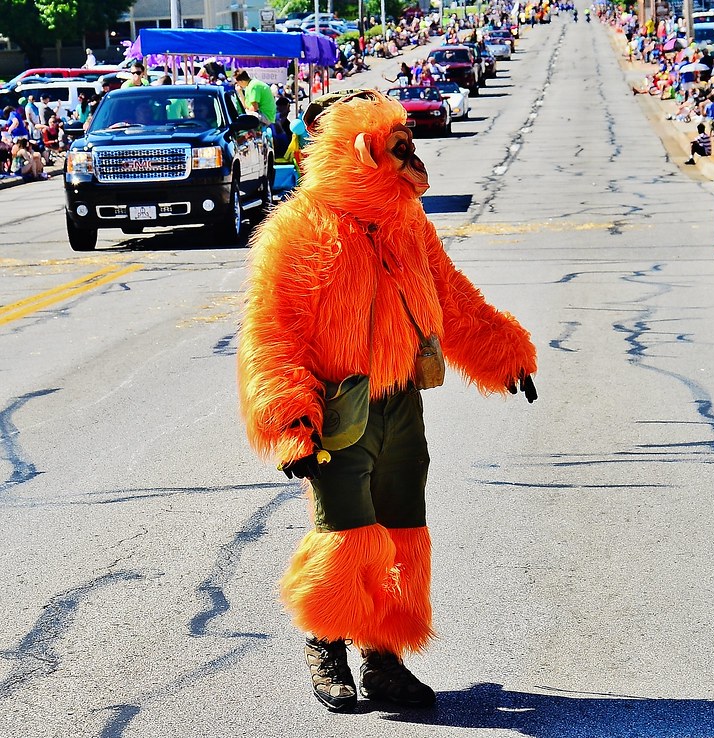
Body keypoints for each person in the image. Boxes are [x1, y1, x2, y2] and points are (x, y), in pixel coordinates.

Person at [238, 90, 538, 714]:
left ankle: (384, 659)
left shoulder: (407, 223)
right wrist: (292, 420)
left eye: (409, 145)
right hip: (337, 409)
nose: (412, 158)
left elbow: (451, 297)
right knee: (345, 531)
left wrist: (503, 352)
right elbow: (272, 329)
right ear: (363, 153)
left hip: (402, 398)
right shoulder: (299, 231)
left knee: (403, 528)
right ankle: (326, 646)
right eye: (398, 148)